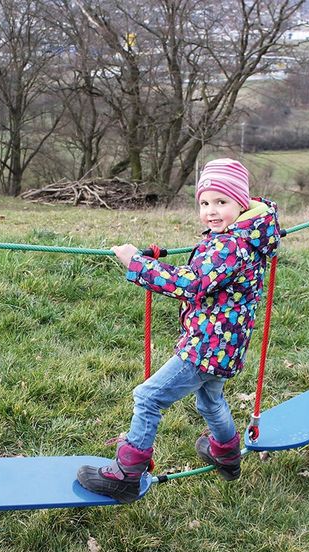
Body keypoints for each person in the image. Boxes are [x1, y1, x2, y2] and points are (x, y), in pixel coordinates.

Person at [77, 158, 280, 503]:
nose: (211, 212)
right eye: (204, 203)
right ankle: (227, 456)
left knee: (149, 396)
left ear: (242, 203)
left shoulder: (231, 246)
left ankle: (127, 473)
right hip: (227, 343)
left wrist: (136, 261)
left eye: (222, 202)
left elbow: (191, 283)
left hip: (207, 345)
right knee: (211, 400)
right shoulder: (250, 235)